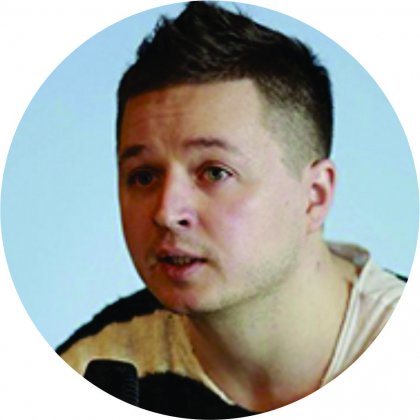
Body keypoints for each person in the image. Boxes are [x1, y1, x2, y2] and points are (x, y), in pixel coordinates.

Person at [57, 2, 406, 418]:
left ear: (314, 196)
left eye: (215, 172)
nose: (167, 212)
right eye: (144, 176)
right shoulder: (91, 372)